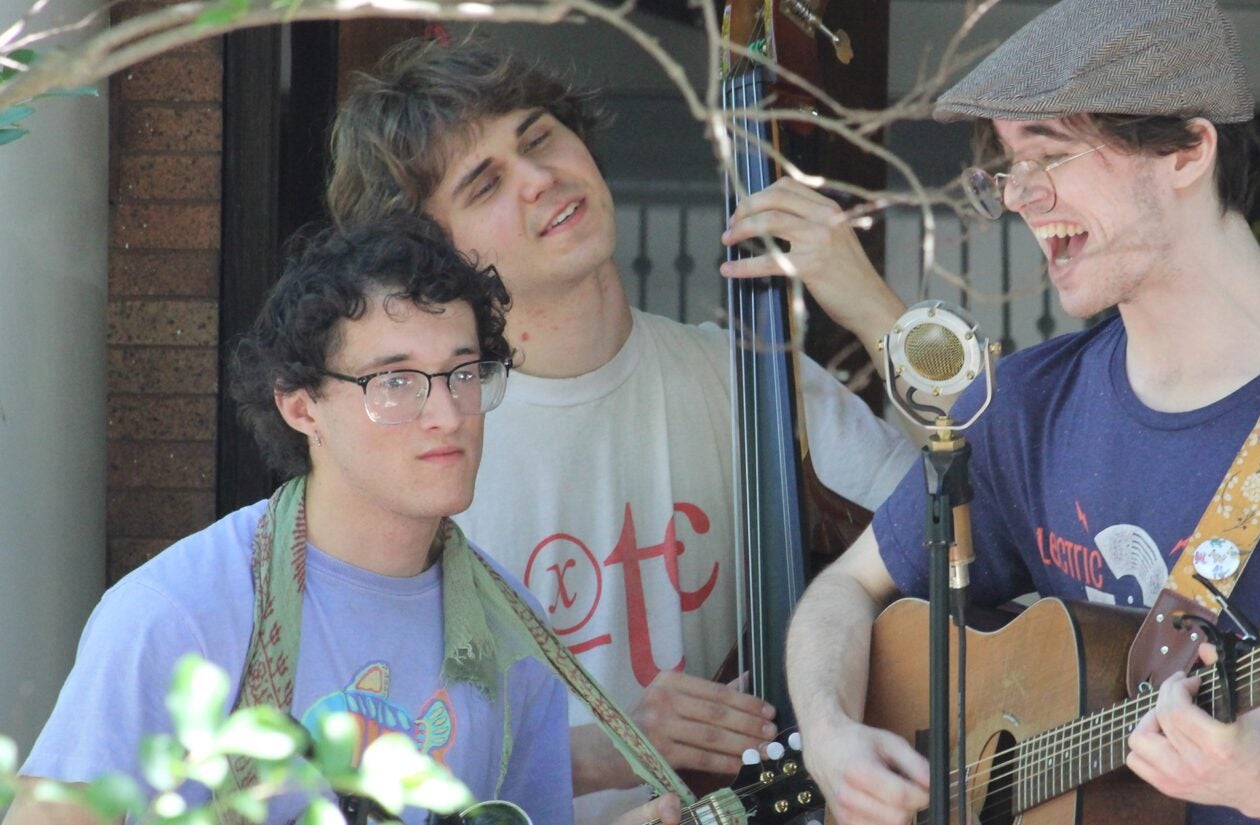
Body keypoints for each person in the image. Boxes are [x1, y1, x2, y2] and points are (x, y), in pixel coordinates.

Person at [782, 2, 1260, 824]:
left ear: (1188, 149)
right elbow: (845, 590)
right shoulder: (1028, 406)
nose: (1018, 198)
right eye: (1008, 166)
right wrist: (832, 740)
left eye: (1049, 154)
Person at [324, 38, 918, 825]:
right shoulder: (430, 449)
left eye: (539, 138)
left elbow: (978, 500)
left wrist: (877, 310)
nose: (540, 179)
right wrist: (612, 747)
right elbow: (371, 764)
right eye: (485, 183)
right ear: (436, 253)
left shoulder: (747, 374)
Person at [5, 217, 676, 825]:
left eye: (463, 373)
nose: (446, 413)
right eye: (395, 381)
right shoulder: (179, 611)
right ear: (302, 407)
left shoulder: (513, 630)